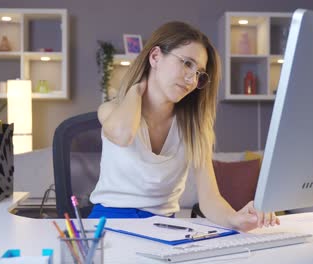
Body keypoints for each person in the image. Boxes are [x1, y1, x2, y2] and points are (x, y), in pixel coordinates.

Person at [88, 21, 279, 231]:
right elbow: (123, 135)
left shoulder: (194, 127)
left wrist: (235, 219)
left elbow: (210, 198)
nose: (192, 79)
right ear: (155, 57)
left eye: (199, 73)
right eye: (187, 63)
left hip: (162, 226)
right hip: (108, 222)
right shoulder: (111, 109)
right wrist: (135, 90)